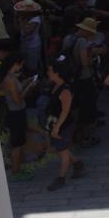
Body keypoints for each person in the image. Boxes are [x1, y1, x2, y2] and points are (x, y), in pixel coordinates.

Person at [43, 57, 86, 191]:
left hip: (63, 125)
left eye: (50, 71)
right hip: (55, 124)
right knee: (62, 149)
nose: (48, 73)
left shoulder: (65, 90)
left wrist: (56, 128)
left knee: (62, 151)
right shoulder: (55, 86)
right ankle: (78, 164)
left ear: (58, 73)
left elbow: (65, 111)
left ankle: (61, 178)